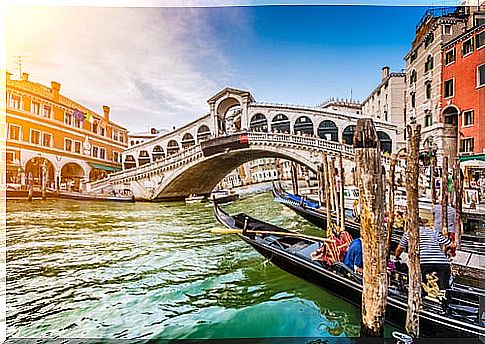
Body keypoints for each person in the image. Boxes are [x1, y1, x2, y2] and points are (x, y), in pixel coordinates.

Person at [395, 219, 455, 291]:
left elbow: (399, 249)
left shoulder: (409, 233)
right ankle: (444, 296)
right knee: (444, 288)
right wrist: (450, 252)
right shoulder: (433, 232)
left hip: (423, 263)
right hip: (443, 263)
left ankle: (422, 295)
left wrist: (397, 257)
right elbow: (452, 245)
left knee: (420, 286)